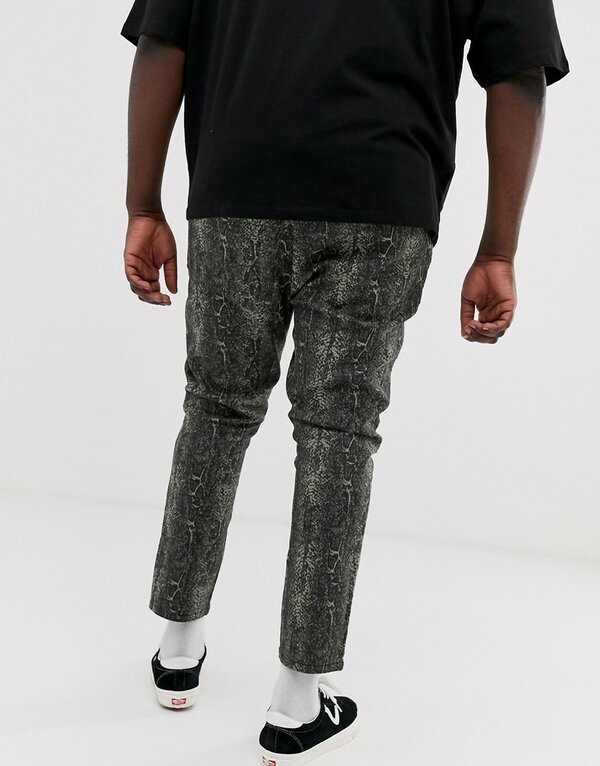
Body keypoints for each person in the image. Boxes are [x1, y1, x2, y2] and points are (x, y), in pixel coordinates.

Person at [119, 0, 570, 762]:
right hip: (382, 191)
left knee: (217, 407)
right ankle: (298, 701)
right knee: (337, 434)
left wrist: (143, 203)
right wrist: (498, 249)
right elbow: (519, 70)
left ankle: (179, 645)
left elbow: (164, 40)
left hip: (236, 183)